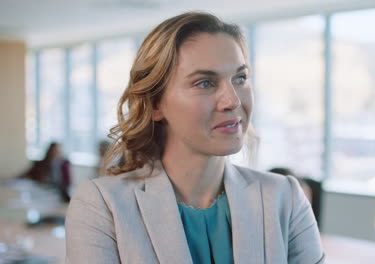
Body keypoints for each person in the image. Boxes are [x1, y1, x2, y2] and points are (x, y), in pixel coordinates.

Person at [65, 12, 325, 264]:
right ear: (155, 104)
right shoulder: (101, 205)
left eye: (240, 78)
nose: (233, 99)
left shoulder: (285, 198)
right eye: (205, 83)